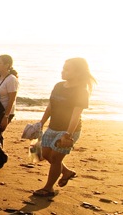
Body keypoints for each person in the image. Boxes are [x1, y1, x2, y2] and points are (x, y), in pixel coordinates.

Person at [33, 58, 96, 197]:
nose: (63, 71)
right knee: (44, 154)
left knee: (56, 159)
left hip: (68, 130)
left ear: (78, 72)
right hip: (53, 126)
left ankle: (48, 188)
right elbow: (51, 106)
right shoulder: (58, 86)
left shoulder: (81, 91)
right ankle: (66, 172)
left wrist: (68, 134)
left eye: (67, 69)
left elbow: (76, 115)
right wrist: (41, 123)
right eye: (63, 68)